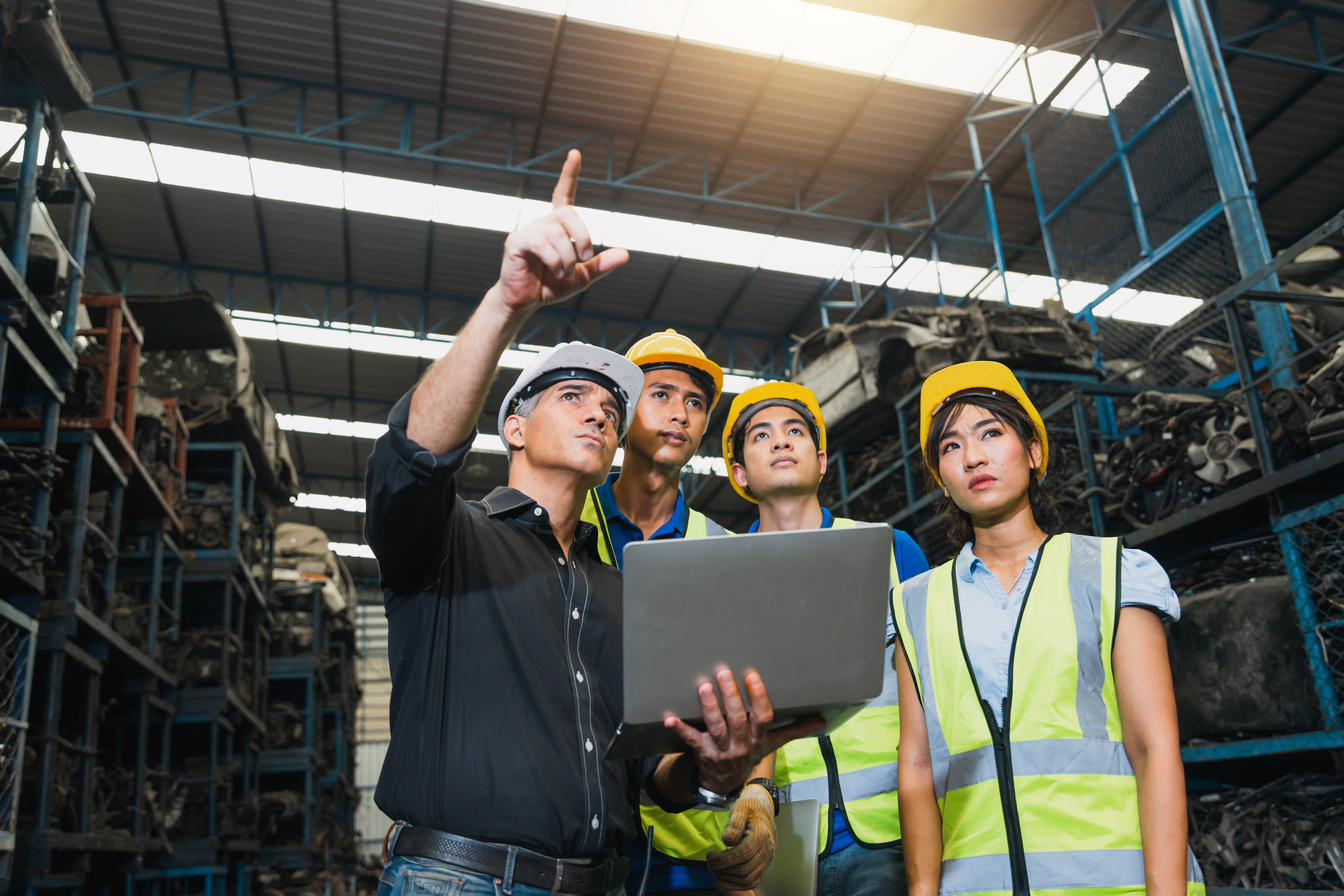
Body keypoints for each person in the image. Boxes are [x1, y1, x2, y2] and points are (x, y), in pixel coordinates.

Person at [366, 149, 820, 896]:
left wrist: (717, 770)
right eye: (571, 395)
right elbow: (415, 453)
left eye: (609, 409)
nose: (600, 411)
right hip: (457, 881)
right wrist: (508, 305)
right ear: (514, 427)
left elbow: (649, 778)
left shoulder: (617, 591)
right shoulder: (450, 541)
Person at [891, 361, 1205, 896]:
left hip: (1116, 881)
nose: (973, 456)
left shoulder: (1109, 571)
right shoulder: (914, 604)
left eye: (992, 433)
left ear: (1033, 452)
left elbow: (1154, 747)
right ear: (941, 481)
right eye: (950, 447)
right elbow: (917, 768)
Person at [715, 381, 930, 896]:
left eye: (795, 430)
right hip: (780, 839)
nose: (781, 441)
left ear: (822, 458)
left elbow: (933, 693)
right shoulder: (719, 573)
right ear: (740, 473)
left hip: (891, 830)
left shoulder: (889, 551)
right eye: (761, 435)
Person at [575, 329, 761, 896]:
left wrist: (758, 794)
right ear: (624, 408)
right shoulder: (562, 522)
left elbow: (752, 686)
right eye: (661, 394)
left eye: (695, 402)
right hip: (580, 833)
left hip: (691, 847)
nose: (680, 413)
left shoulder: (724, 549)